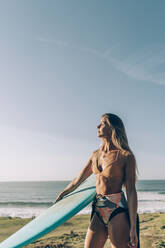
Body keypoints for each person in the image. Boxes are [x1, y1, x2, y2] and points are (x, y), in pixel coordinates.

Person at [55, 113, 139, 248]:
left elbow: (131, 191)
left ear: (113, 127)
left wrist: (133, 227)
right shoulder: (95, 155)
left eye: (103, 123)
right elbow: (78, 179)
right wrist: (64, 193)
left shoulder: (125, 156)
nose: (98, 126)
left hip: (116, 208)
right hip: (98, 207)